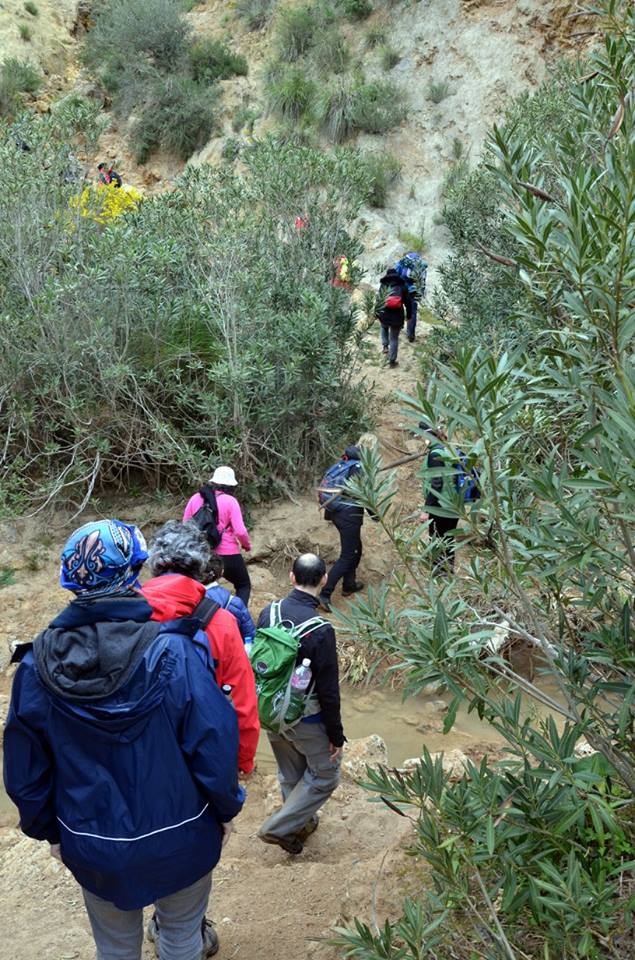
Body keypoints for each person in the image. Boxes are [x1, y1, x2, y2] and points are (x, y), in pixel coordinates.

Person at [3, 519, 244, 960]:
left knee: (114, 948)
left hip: (93, 844)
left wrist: (51, 832)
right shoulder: (175, 651)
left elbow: (24, 770)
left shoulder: (37, 667)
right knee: (181, 938)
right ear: (134, 574)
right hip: (183, 834)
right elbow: (214, 742)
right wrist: (225, 808)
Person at [142, 520, 260, 777]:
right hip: (198, 760)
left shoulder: (125, 613)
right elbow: (242, 702)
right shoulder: (221, 622)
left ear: (153, 563)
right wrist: (242, 761)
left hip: (138, 759)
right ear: (201, 565)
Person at [256, 553, 345, 854]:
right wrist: (336, 736)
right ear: (324, 580)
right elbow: (329, 691)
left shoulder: (269, 612)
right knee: (325, 775)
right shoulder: (322, 629)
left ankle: (299, 827)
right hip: (305, 718)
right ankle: (277, 828)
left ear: (292, 578)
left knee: (291, 773)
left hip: (269, 711)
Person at [183, 466, 252, 606]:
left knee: (200, 588)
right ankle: (238, 618)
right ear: (231, 485)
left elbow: (185, 525)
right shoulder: (230, 501)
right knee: (243, 585)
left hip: (201, 554)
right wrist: (246, 545)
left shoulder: (195, 498)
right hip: (228, 554)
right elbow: (240, 531)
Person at [419, 422, 480, 574]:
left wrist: (427, 508)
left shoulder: (435, 454)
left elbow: (436, 483)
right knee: (448, 535)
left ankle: (439, 570)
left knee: (437, 535)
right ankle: (448, 565)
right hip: (455, 503)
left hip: (440, 504)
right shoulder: (451, 449)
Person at [318, 445, 365, 612]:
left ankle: (349, 584)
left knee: (356, 549)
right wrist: (375, 515)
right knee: (347, 555)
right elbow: (363, 494)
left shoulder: (342, 465)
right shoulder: (358, 468)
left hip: (336, 513)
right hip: (349, 515)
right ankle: (325, 594)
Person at [205, 552, 256, 646]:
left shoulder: (187, 598)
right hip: (229, 653)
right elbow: (250, 636)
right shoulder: (234, 602)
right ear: (222, 572)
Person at [375, 266, 413, 368]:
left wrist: (376, 313)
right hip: (397, 315)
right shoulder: (402, 285)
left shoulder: (383, 285)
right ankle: (392, 361)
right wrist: (409, 315)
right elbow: (408, 303)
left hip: (384, 313)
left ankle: (385, 346)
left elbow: (379, 299)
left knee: (383, 327)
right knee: (394, 338)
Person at [394, 251, 427, 343]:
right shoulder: (421, 264)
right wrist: (421, 292)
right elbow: (423, 280)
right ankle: (411, 334)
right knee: (413, 313)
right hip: (414, 291)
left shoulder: (402, 262)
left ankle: (398, 325)